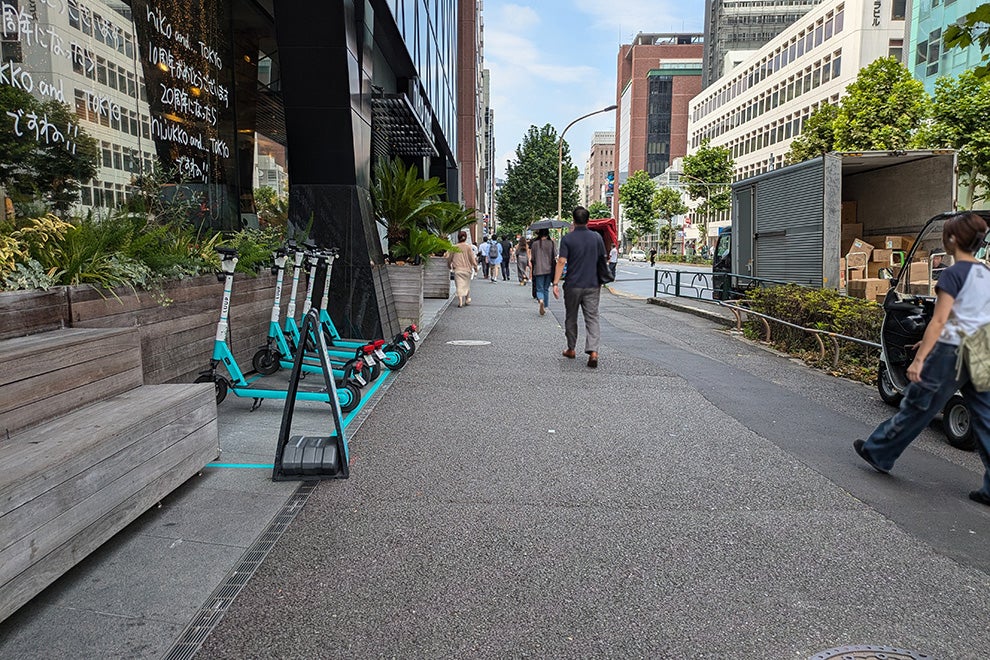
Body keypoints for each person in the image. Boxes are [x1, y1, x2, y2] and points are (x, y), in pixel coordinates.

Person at [854, 212, 990, 507]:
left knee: (918, 405)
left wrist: (919, 359)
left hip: (952, 351)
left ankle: (879, 451)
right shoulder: (985, 274)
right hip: (981, 350)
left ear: (953, 240)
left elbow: (939, 321)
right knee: (985, 418)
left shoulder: (952, 274)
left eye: (946, 233)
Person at [552, 206, 606, 368]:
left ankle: (571, 348)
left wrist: (555, 283)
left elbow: (561, 261)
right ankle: (593, 351)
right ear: (588, 220)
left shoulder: (568, 239)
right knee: (592, 317)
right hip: (593, 283)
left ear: (573, 220)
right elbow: (602, 258)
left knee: (571, 316)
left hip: (573, 284)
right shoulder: (596, 237)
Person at [447, 231, 477, 307]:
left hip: (457, 269)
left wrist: (449, 265)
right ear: (466, 238)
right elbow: (472, 259)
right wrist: (476, 267)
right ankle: (467, 299)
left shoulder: (454, 247)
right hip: (467, 270)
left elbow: (449, 258)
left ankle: (460, 301)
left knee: (459, 285)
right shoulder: (468, 247)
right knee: (466, 285)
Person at [530, 228, 556, 315]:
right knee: (546, 288)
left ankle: (540, 300)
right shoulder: (551, 243)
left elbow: (532, 258)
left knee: (539, 288)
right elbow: (555, 255)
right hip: (549, 269)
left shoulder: (535, 244)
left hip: (538, 269)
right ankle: (544, 305)